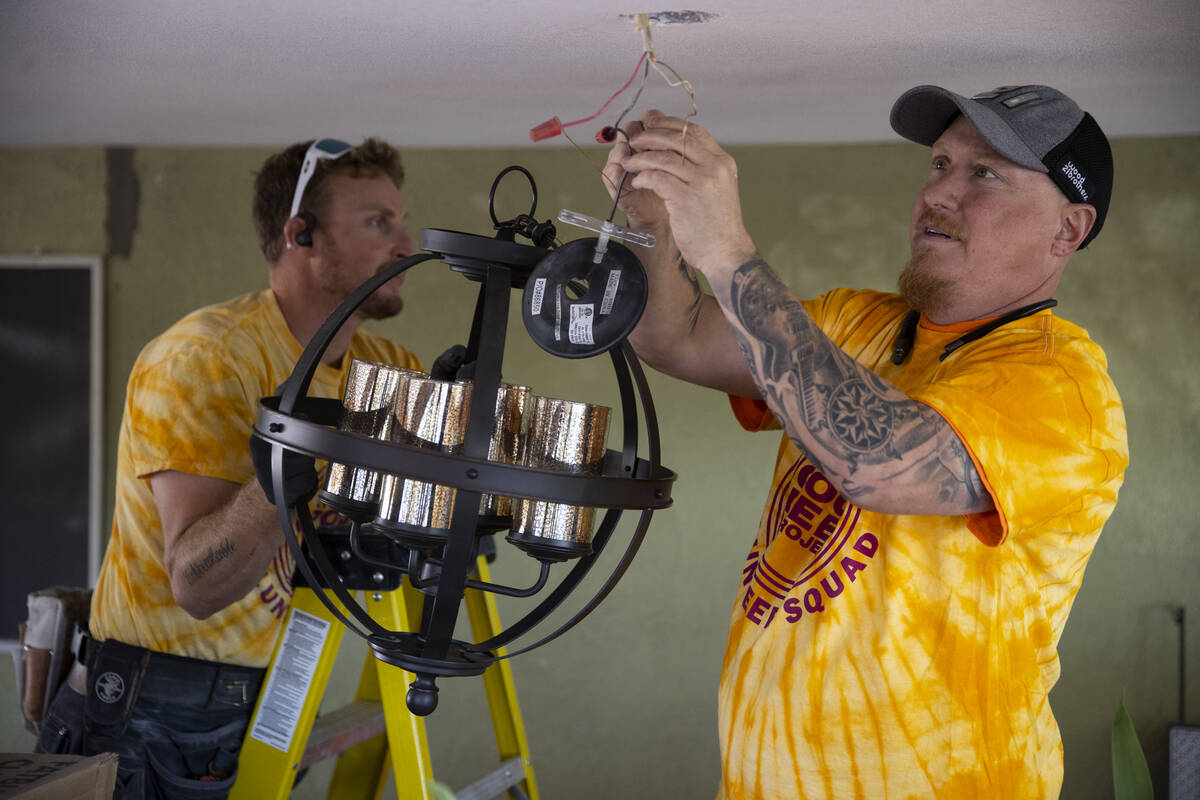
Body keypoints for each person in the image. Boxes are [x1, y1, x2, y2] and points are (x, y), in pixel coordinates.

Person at [604, 85, 1128, 798]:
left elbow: (879, 462)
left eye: (984, 174)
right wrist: (652, 221)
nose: (938, 193)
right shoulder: (855, 322)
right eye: (940, 163)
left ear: (1068, 229)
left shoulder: (1061, 385)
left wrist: (726, 249)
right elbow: (672, 337)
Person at [34, 137, 424, 797]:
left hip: (262, 690)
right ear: (301, 234)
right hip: (151, 705)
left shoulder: (385, 372)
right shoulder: (210, 358)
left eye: (399, 221)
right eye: (377, 224)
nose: (406, 245)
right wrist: (299, 462)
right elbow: (196, 585)